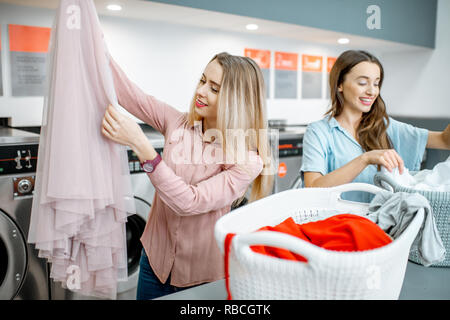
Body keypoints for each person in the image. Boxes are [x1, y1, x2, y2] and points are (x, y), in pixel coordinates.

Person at [100, 52, 274, 299]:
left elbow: (189, 202)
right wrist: (97, 47)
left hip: (201, 278)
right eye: (202, 81)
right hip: (153, 264)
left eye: (214, 88)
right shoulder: (177, 122)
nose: (201, 91)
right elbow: (130, 95)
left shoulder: (248, 161)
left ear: (237, 101)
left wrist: (141, 145)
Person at [301, 50, 450, 202]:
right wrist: (365, 159)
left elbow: (444, 141)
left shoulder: (385, 126)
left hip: (379, 222)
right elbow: (313, 188)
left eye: (376, 83)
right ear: (340, 84)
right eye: (362, 83)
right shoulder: (318, 132)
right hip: (336, 222)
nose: (372, 91)